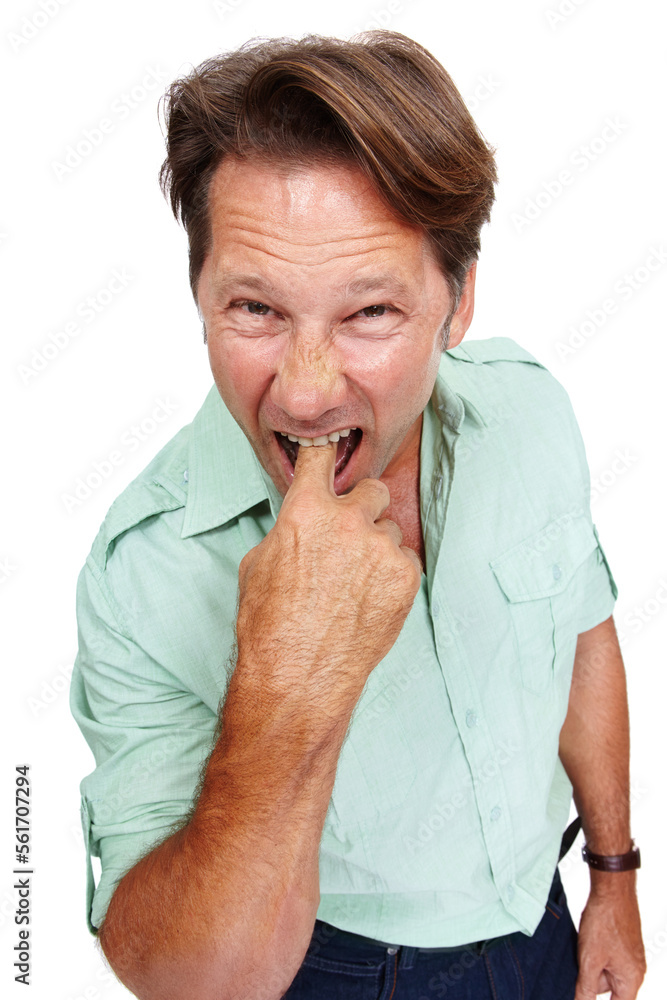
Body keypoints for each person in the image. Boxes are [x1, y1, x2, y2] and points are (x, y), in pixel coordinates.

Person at [70, 30, 645, 1000]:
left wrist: (614, 874)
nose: (302, 393)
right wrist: (289, 682)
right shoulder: (142, 573)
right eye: (255, 308)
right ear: (199, 296)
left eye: (368, 313)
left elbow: (584, 636)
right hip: (336, 968)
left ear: (456, 301)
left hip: (537, 916)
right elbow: (190, 982)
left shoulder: (528, 409)